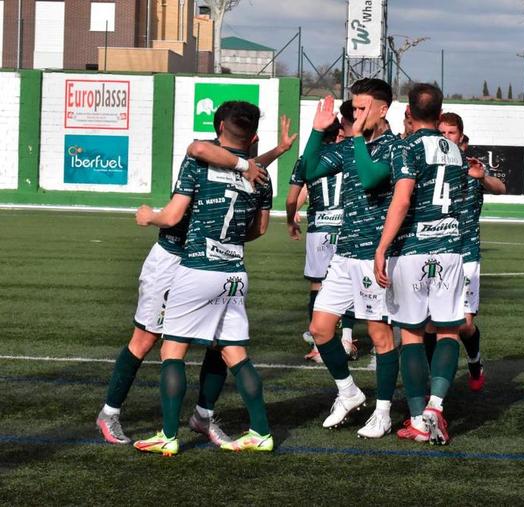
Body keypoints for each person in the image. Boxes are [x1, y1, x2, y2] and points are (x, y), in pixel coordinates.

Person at [94, 116, 293, 446]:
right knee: (147, 339)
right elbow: (210, 153)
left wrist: (278, 151)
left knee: (218, 341)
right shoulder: (203, 155)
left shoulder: (244, 167)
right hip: (173, 258)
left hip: (205, 264)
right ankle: (109, 412)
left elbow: (250, 168)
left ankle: (202, 415)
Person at [132, 101, 273, 456]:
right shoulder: (262, 174)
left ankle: (168, 434)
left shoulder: (200, 160)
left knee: (172, 351)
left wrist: (150, 216)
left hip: (197, 268)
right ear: (253, 135)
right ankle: (261, 432)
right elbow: (259, 229)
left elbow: (174, 215)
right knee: (236, 353)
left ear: (219, 126)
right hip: (234, 273)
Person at [300, 79, 399, 438]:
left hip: (375, 258)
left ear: (382, 109)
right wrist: (316, 132)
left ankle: (384, 412)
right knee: (320, 329)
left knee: (379, 334)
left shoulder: (395, 148)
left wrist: (355, 138)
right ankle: (348, 392)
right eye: (353, 109)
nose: (355, 115)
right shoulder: (348, 146)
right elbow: (309, 172)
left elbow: (372, 180)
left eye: (362, 109)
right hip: (344, 255)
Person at [374, 83, 466, 445]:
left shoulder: (407, 147)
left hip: (412, 249)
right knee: (448, 331)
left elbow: (402, 199)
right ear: (441, 113)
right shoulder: (456, 150)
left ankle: (416, 418)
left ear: (409, 113)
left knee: (410, 334)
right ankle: (436, 408)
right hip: (450, 249)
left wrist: (381, 247)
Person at [432, 112, 506, 391]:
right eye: (441, 133)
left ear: (460, 137)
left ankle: (474, 360)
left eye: (450, 133)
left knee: (463, 325)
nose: (446, 138)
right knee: (431, 323)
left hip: (466, 252)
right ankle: (434, 382)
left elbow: (501, 187)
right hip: (435, 251)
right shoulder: (430, 165)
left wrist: (482, 177)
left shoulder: (472, 165)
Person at [286, 119, 356, 362]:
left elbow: (292, 199)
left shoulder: (308, 158)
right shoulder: (349, 155)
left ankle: (318, 347)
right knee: (348, 281)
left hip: (319, 229)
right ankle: (346, 339)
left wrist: (290, 219)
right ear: (339, 132)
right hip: (346, 225)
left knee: (317, 285)